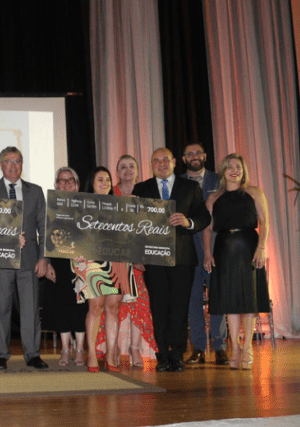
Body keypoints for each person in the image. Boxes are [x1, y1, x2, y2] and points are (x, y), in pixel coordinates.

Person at [132, 147, 211, 372]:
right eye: (156, 160)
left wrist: (188, 222)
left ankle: (177, 355)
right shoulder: (141, 189)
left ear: (175, 162)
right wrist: (136, 254)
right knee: (158, 308)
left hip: (182, 258)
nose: (162, 163)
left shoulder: (190, 187)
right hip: (153, 259)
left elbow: (204, 217)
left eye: (166, 159)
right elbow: (133, 225)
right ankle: (161, 356)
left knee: (179, 308)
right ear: (151, 164)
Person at [0, 146, 50, 370]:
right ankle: (1, 354)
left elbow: (44, 227)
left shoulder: (35, 191)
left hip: (30, 259)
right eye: (9, 162)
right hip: (0, 260)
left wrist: (44, 259)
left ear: (22, 164)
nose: (13, 166)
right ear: (1, 165)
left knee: (30, 309)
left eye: (18, 161)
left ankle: (33, 354)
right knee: (1, 307)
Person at [203, 154, 270, 370]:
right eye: (229, 167)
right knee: (229, 301)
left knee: (248, 299)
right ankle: (234, 349)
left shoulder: (253, 192)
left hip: (249, 247)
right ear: (223, 171)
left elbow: (265, 221)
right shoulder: (213, 198)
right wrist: (206, 253)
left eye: (238, 167)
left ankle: (248, 348)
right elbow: (206, 228)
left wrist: (261, 247)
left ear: (243, 170)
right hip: (223, 250)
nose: (234, 170)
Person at [94, 155, 158, 368]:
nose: (128, 170)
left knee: (139, 304)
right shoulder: (110, 194)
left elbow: (149, 228)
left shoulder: (146, 193)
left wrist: (141, 254)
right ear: (117, 172)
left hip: (139, 260)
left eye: (131, 166)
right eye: (123, 167)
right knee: (114, 305)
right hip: (115, 260)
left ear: (138, 170)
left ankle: (136, 349)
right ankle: (114, 351)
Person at [180, 143, 228, 366]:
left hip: (216, 247)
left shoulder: (220, 180)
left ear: (205, 155)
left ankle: (220, 347)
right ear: (183, 159)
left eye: (198, 152)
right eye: (190, 154)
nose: (194, 156)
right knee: (192, 299)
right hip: (188, 248)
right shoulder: (177, 183)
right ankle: (198, 348)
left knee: (218, 297)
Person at [71, 167, 123, 372]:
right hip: (91, 260)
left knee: (113, 308)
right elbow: (73, 234)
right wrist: (77, 253)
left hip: (118, 260)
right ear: (91, 183)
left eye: (108, 179)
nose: (105, 183)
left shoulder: (121, 206)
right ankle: (91, 353)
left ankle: (111, 354)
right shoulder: (82, 205)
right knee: (95, 307)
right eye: (100, 179)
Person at [43, 167, 88, 367]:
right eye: (62, 180)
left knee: (80, 307)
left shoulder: (87, 207)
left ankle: (79, 349)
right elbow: (45, 237)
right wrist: (48, 263)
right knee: (61, 306)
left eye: (70, 180)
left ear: (77, 184)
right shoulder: (50, 209)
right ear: (56, 185)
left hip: (82, 263)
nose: (66, 183)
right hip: (58, 263)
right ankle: (65, 349)